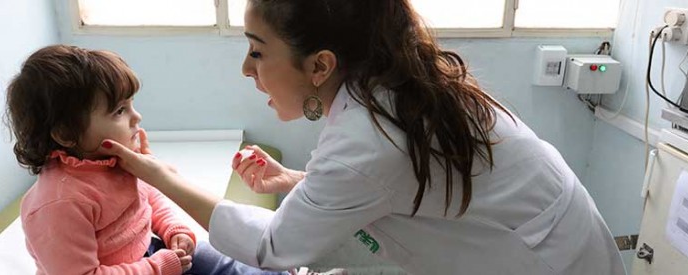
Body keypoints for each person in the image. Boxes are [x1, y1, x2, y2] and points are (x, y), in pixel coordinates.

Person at [99, 0, 627, 274]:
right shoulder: (388, 87)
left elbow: (272, 245)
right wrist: (298, 181)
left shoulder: (368, 134)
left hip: (543, 260)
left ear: (321, 65)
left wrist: (156, 174)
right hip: (547, 229)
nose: (245, 68)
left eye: (257, 50)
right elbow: (399, 183)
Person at [5, 45, 291, 275]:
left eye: (131, 105)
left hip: (154, 254)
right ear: (66, 134)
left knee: (239, 263)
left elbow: (148, 199)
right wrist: (157, 266)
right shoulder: (59, 203)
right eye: (119, 111)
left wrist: (173, 230)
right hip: (141, 267)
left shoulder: (114, 159)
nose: (136, 117)